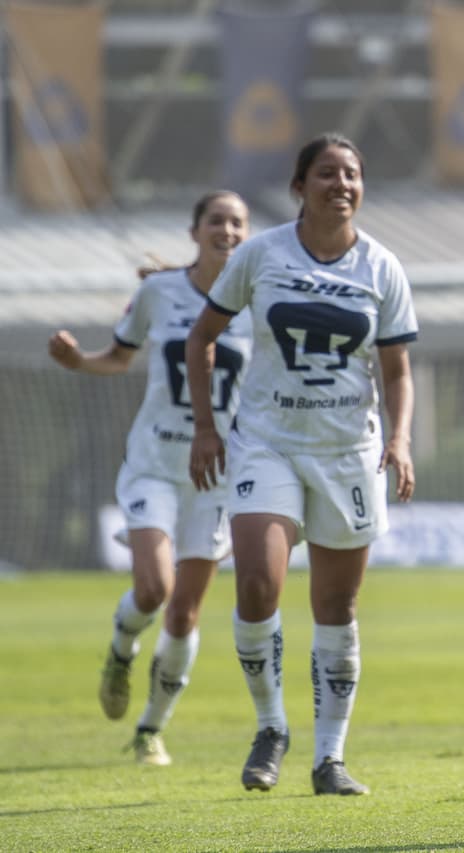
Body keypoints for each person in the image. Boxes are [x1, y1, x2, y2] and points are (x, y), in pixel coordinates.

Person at [185, 132, 418, 796]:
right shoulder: (260, 255)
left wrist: (400, 439)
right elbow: (202, 338)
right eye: (326, 173)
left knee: (336, 604)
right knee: (258, 583)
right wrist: (207, 428)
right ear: (298, 186)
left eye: (351, 174)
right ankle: (270, 726)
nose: (341, 184)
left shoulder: (382, 267)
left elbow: (397, 370)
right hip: (267, 443)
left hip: (348, 452)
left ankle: (329, 759)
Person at [48, 191, 253, 766]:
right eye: (216, 220)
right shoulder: (159, 292)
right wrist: (78, 361)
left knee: (184, 614)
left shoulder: (258, 297)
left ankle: (149, 731)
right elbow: (119, 356)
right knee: (153, 589)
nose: (227, 230)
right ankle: (121, 651)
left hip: (217, 476)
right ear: (195, 231)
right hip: (156, 464)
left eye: (238, 223)